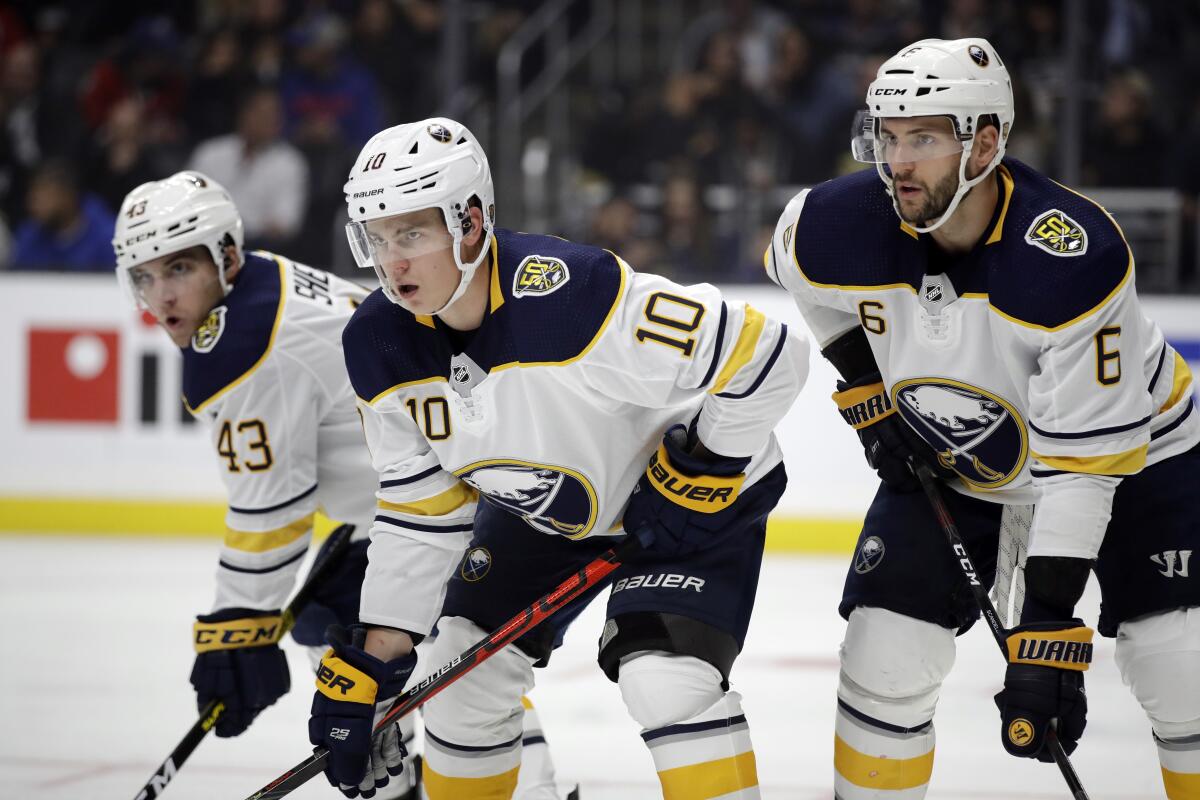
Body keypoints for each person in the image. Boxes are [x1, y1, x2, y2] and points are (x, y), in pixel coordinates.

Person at [308, 117, 809, 800]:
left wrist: (701, 471)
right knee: (458, 675)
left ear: (472, 222)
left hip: (691, 499)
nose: (392, 262)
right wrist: (376, 657)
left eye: (413, 233)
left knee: (663, 680)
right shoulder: (378, 344)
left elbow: (775, 354)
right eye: (378, 237)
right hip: (543, 514)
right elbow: (420, 513)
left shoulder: (576, 296)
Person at [765, 38, 1200, 799]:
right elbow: (797, 277)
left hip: (1137, 459)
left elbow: (1084, 470)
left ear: (987, 142)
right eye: (888, 136)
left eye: (923, 139)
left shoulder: (1072, 256)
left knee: (1182, 666)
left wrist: (1049, 629)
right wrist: (868, 396)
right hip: (966, 458)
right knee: (883, 657)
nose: (897, 161)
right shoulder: (835, 222)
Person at [111, 171, 572, 800]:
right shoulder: (260, 286)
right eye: (144, 276)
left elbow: (270, 508)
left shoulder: (245, 343)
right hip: (434, 493)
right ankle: (403, 770)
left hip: (447, 508)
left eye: (178, 269)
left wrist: (236, 629)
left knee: (450, 662)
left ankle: (525, 791)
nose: (161, 295)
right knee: (338, 637)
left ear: (225, 256)